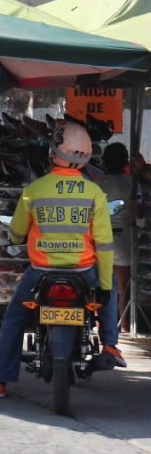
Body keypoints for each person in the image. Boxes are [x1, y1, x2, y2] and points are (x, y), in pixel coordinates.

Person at [0, 123, 124, 398]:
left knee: (14, 317)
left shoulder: (34, 190)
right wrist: (104, 287)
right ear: (86, 157)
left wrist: (17, 239)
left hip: (41, 272)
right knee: (110, 287)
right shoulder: (94, 194)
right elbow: (105, 246)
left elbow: (17, 231)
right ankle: (110, 343)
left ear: (54, 153)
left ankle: (0, 381)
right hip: (84, 271)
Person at [97, 142, 133, 332]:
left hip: (102, 240)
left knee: (101, 288)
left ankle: (98, 326)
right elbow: (140, 212)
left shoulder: (97, 185)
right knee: (122, 292)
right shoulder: (131, 183)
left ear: (104, 162)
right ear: (125, 162)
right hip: (124, 242)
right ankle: (126, 327)